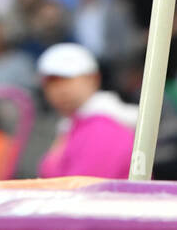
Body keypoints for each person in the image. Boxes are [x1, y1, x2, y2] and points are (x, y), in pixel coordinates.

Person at [37, 42, 138, 180]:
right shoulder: (72, 125)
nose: (59, 88)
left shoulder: (104, 127)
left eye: (67, 79)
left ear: (93, 79)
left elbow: (84, 190)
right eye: (51, 82)